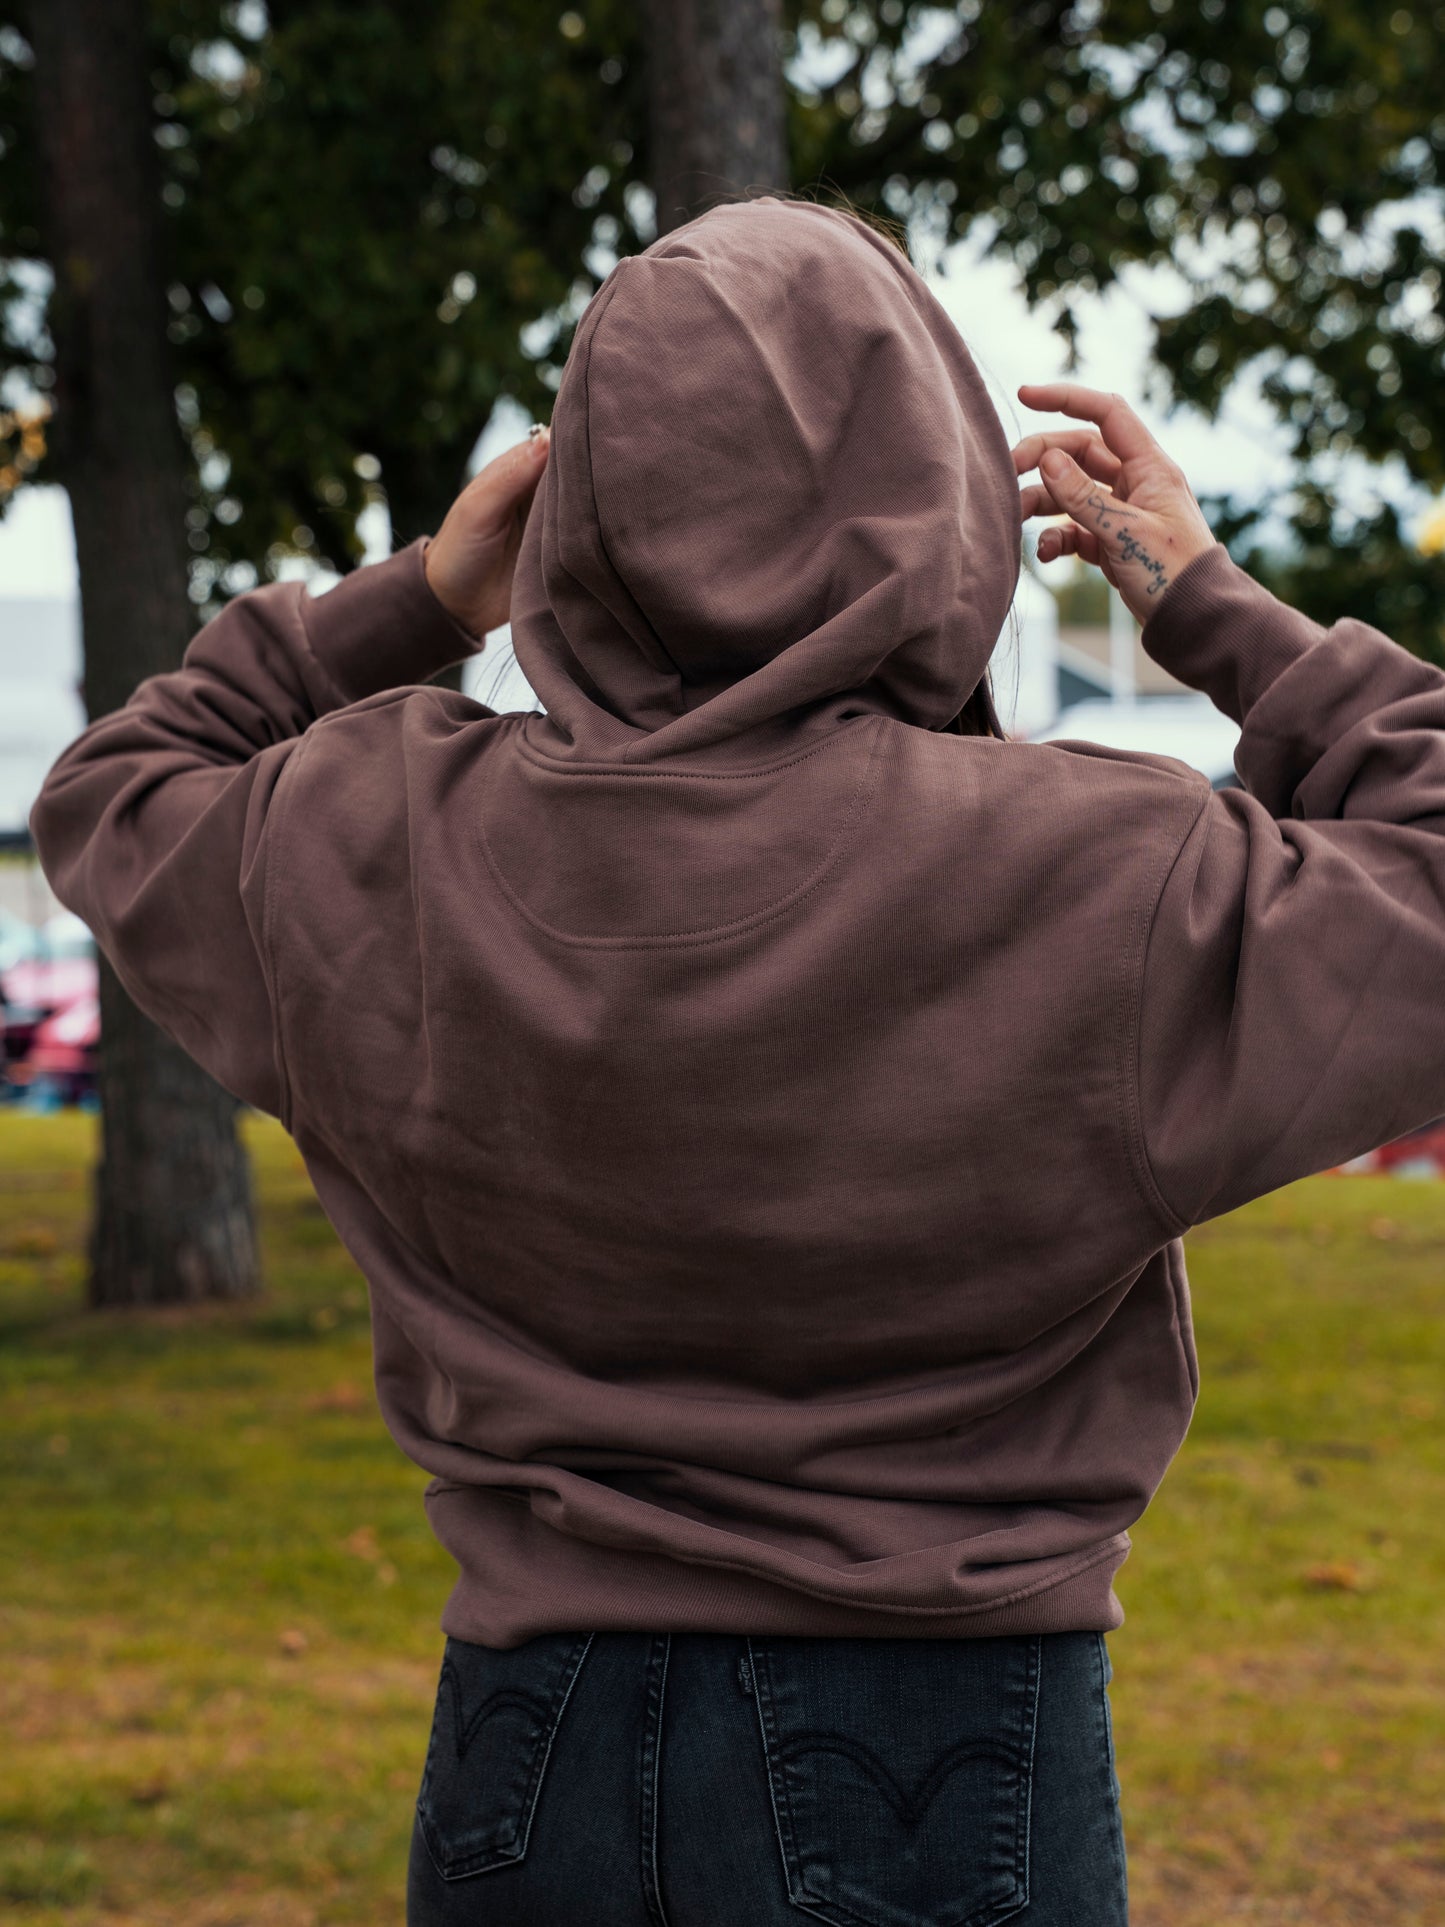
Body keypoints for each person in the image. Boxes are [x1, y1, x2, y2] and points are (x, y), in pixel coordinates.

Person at [29, 193, 1445, 1927]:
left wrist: (421, 596)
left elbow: (116, 788)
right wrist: (1217, 612)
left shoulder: (373, 835)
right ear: (927, 488)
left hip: (520, 1761)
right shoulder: (1095, 877)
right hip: (938, 1751)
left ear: (583, 507)